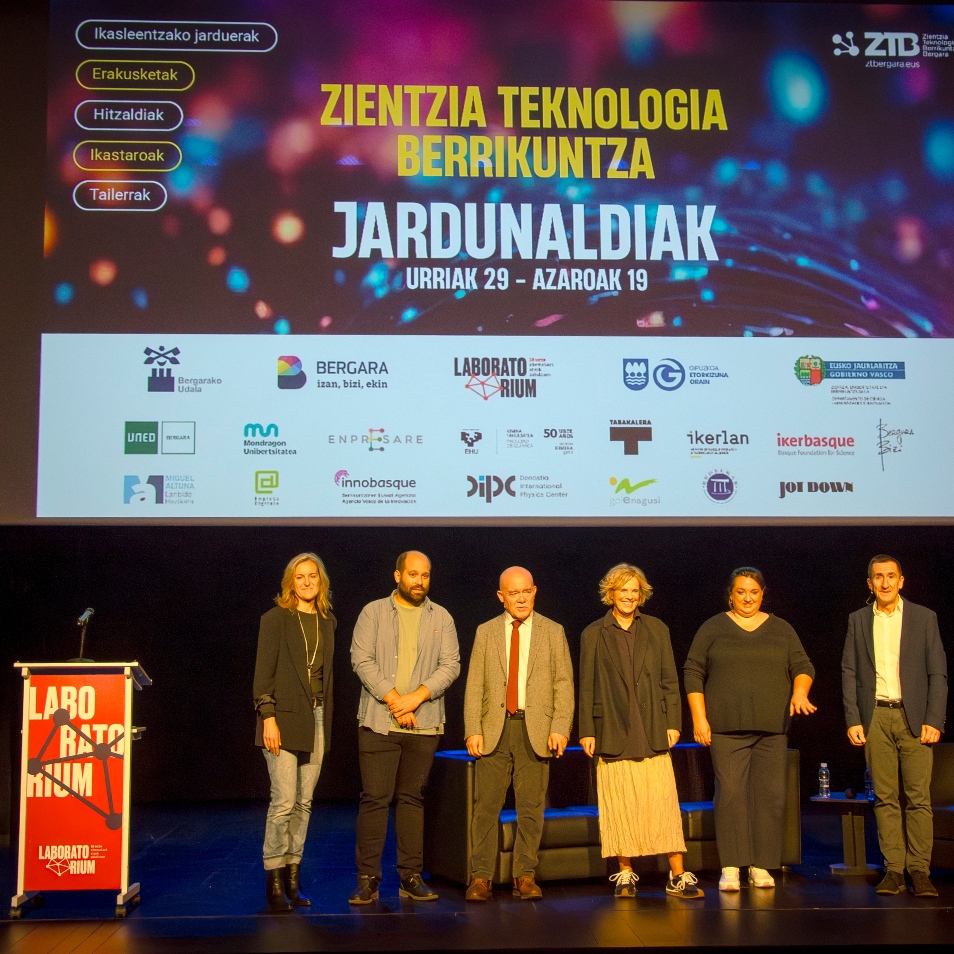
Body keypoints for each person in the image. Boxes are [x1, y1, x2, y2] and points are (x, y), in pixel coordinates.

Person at [684, 567, 816, 892]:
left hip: (771, 729)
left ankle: (761, 865)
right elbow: (693, 670)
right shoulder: (714, 627)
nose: (747, 598)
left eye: (754, 592)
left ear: (762, 594)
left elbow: (803, 666)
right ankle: (731, 865)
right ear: (731, 595)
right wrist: (699, 719)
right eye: (741, 592)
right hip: (726, 729)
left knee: (770, 796)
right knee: (730, 795)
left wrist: (800, 693)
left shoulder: (781, 628)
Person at [578, 563, 703, 900]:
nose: (629, 596)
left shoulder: (657, 629)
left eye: (635, 591)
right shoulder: (593, 633)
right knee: (620, 803)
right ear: (611, 593)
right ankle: (625, 873)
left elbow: (669, 680)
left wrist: (673, 722)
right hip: (611, 728)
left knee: (662, 803)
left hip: (651, 726)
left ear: (641, 595)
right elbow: (586, 685)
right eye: (623, 590)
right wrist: (586, 729)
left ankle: (678, 875)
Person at [349, 551, 460, 904]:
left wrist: (415, 699)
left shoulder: (442, 617)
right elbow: (361, 659)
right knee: (375, 799)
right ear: (397, 576)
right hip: (378, 722)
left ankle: (410, 876)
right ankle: (368, 878)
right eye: (413, 574)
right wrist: (395, 700)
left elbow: (451, 665)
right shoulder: (373, 612)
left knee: (413, 799)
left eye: (425, 575)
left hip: (423, 723)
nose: (419, 581)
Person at [463, 566, 574, 902]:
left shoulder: (553, 631)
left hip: (535, 728)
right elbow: (475, 684)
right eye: (514, 593)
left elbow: (564, 684)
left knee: (531, 807)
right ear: (502, 597)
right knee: (486, 807)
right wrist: (472, 729)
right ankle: (481, 876)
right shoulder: (486, 632)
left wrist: (560, 728)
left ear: (534, 592)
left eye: (526, 591)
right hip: (495, 729)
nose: (522, 598)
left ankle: (524, 875)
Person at [842, 554, 948, 898]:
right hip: (876, 716)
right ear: (869, 583)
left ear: (901, 581)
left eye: (891, 576)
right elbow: (849, 672)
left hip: (913, 718)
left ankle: (919, 871)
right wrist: (853, 718)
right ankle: (893, 871)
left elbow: (937, 673)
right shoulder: (858, 620)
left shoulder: (923, 618)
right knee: (885, 798)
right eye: (878, 577)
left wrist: (934, 719)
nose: (885, 582)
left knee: (918, 799)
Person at [253, 552, 336, 912]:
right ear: (290, 583)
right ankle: (273, 882)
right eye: (299, 577)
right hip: (282, 719)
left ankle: (292, 879)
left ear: (321, 581)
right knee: (284, 801)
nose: (306, 582)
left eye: (312, 576)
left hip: (316, 716)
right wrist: (268, 717)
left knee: (304, 802)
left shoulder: (327, 621)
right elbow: (263, 675)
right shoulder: (275, 619)